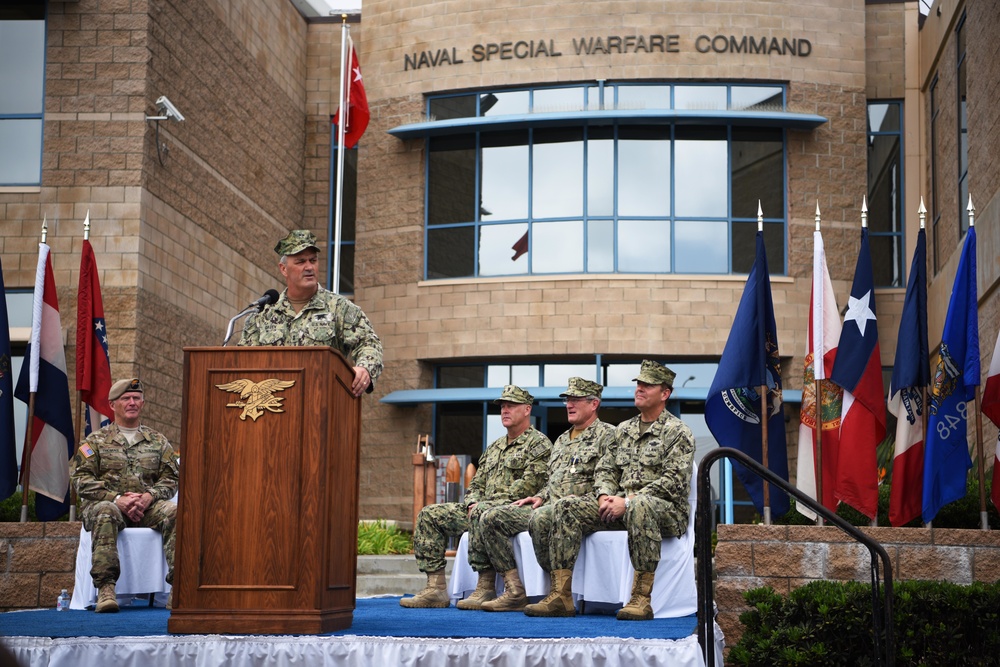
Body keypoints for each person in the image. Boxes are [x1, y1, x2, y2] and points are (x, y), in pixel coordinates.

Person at [540, 360, 695, 621]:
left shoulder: (678, 432)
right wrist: (604, 496)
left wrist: (629, 500)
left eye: (648, 385)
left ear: (665, 394)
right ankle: (561, 596)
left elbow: (673, 481)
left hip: (665, 512)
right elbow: (606, 470)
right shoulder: (623, 430)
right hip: (621, 507)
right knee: (565, 507)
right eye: (639, 384)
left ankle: (641, 599)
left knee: (641, 506)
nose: (640, 389)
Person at [400, 385, 552, 609]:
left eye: (511, 405)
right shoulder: (495, 447)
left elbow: (527, 486)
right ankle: (436, 588)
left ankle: (486, 586)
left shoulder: (539, 444)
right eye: (502, 406)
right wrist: (472, 501)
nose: (504, 410)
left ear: (527, 409)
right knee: (429, 514)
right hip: (480, 507)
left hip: (516, 510)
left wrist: (484, 504)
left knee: (483, 512)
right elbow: (477, 482)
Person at [478, 377, 616, 614]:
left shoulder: (609, 435)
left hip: (586, 507)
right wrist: (541, 495)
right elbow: (553, 479)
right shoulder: (562, 439)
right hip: (551, 505)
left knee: (545, 517)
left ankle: (561, 595)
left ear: (594, 404)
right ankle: (514, 592)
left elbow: (609, 476)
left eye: (575, 400)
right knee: (492, 518)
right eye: (567, 400)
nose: (569, 405)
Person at [72, 378, 180, 613]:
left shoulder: (158, 441)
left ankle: (180, 588)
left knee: (175, 512)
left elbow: (171, 478)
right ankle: (106, 589)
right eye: (125, 398)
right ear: (112, 405)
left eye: (136, 398)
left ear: (142, 403)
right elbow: (80, 479)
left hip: (147, 507)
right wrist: (115, 498)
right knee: (105, 512)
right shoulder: (95, 441)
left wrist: (150, 496)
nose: (132, 402)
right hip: (108, 505)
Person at [238, 230, 383, 397]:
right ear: (284, 269)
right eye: (300, 262)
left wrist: (364, 368)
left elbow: (369, 343)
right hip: (272, 411)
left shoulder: (338, 308)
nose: (309, 267)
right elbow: (243, 363)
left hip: (320, 404)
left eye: (313, 260)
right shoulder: (262, 315)